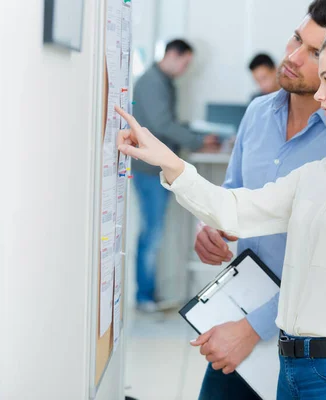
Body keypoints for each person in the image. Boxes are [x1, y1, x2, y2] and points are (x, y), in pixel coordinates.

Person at [116, 10, 326, 399]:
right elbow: (235, 210)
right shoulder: (323, 172)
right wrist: (169, 162)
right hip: (292, 369)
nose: (320, 94)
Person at [192, 1, 326, 398]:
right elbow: (234, 193)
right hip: (242, 317)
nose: (291, 57)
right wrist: (212, 227)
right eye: (295, 38)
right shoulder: (257, 113)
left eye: (315, 52)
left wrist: (253, 328)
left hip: (312, 343)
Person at [131, 39, 218, 312]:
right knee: (153, 233)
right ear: (171, 54)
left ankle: (149, 295)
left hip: (156, 168)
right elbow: (161, 124)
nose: (184, 68)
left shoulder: (163, 82)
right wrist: (195, 141)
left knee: (155, 231)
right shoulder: (151, 82)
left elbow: (167, 121)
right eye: (184, 62)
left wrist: (195, 135)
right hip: (148, 170)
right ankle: (144, 297)